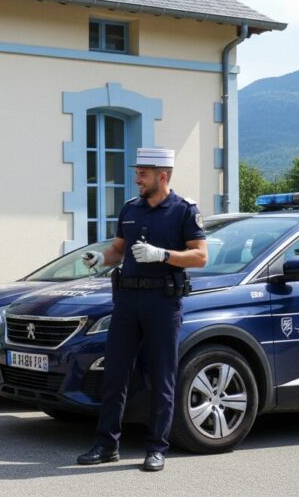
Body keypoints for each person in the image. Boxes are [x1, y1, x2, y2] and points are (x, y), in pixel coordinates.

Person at [76, 147, 208, 472]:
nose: (137, 178)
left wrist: (162, 255)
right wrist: (102, 258)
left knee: (162, 375)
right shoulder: (130, 208)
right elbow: (119, 248)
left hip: (162, 303)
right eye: (137, 172)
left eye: (143, 173)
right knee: (115, 374)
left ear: (162, 176)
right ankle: (106, 445)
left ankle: (156, 448)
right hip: (127, 301)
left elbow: (200, 256)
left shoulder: (184, 210)